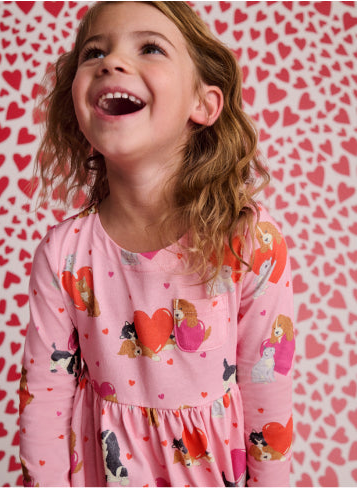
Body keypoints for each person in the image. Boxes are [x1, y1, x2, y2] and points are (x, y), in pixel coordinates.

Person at [19, 2, 295, 486]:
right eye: (94, 52)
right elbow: (43, 403)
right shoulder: (63, 254)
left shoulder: (250, 243)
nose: (111, 62)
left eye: (149, 47)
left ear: (203, 105)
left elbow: (266, 387)